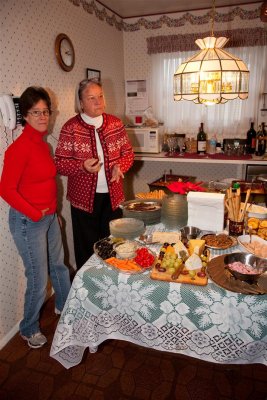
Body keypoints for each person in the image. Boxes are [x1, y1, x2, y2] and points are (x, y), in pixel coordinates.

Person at [0, 87, 71, 349]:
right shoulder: (19, 149)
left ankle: (64, 306)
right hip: (27, 221)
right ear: (25, 116)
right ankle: (28, 328)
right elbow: (5, 189)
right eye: (36, 112)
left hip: (49, 217)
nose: (42, 117)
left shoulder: (42, 144)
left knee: (60, 266)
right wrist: (34, 213)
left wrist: (54, 214)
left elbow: (45, 183)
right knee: (39, 279)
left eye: (45, 111)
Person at [55, 78, 134, 269]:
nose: (98, 102)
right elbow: (59, 164)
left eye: (100, 96)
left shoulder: (115, 124)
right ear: (80, 103)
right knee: (87, 249)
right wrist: (82, 166)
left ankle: (113, 287)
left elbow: (128, 153)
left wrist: (120, 166)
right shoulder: (71, 127)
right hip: (83, 201)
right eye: (91, 98)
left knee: (114, 245)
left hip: (113, 198)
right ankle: (88, 289)